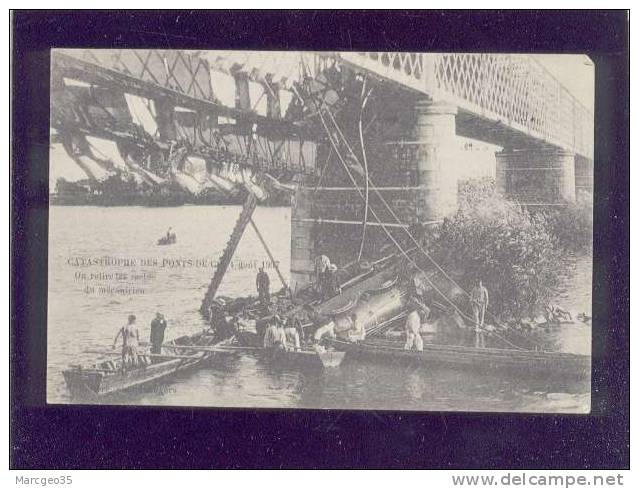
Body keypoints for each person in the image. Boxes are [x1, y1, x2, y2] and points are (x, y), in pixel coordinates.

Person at [470, 278, 489, 348]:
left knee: (482, 316)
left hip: (482, 304)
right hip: (475, 303)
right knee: (476, 315)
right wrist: (472, 301)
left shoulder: (484, 289)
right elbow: (471, 296)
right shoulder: (474, 289)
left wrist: (486, 304)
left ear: (481, 283)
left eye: (480, 283)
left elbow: (487, 297)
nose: (479, 284)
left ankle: (480, 327)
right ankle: (476, 327)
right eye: (477, 283)